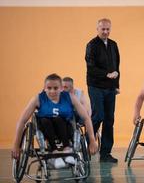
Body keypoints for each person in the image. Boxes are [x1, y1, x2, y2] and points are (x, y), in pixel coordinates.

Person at [12, 73, 98, 168]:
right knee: (45, 120)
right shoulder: (38, 99)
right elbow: (22, 121)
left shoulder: (70, 97)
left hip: (66, 129)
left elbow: (86, 117)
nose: (52, 91)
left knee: (58, 119)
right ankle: (54, 151)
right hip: (46, 131)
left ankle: (67, 149)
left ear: (61, 88)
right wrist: (16, 145)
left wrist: (92, 141)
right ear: (44, 88)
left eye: (56, 88)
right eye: (49, 88)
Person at [85, 18, 120, 163]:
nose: (105, 31)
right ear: (97, 29)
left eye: (108, 29)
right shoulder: (91, 45)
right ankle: (86, 146)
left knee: (109, 119)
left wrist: (117, 84)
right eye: (103, 29)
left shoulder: (113, 44)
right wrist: (106, 74)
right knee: (98, 115)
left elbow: (117, 66)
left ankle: (105, 153)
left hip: (110, 87)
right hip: (96, 86)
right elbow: (91, 67)